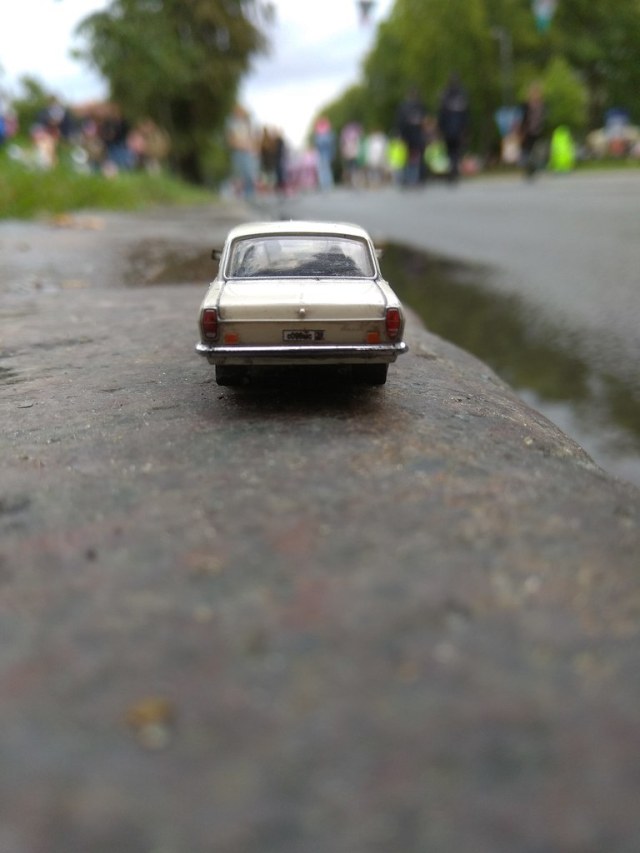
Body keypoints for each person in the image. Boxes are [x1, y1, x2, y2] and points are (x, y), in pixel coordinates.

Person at [437, 73, 470, 184]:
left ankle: (453, 171)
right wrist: (465, 129)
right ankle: (454, 171)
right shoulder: (461, 95)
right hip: (457, 130)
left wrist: (440, 128)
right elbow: (466, 115)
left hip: (449, 130)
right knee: (455, 152)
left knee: (451, 152)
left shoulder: (445, 95)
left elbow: (441, 114)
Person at [394, 86, 428, 186]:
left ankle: (407, 179)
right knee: (417, 157)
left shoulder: (404, 107)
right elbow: (425, 121)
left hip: (408, 136)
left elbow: (400, 122)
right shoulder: (420, 106)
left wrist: (400, 134)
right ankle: (418, 178)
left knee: (408, 157)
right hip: (417, 135)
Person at [226, 104, 259, 199]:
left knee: (249, 172)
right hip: (237, 151)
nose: (239, 114)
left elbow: (253, 137)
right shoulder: (231, 124)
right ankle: (239, 194)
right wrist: (239, 145)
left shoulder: (247, 124)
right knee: (239, 173)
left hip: (248, 151)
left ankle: (250, 194)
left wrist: (253, 148)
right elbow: (230, 139)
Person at [518, 82, 546, 179]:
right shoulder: (525, 105)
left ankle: (535, 169)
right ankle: (528, 170)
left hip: (539, 132)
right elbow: (522, 119)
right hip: (528, 132)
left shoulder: (542, 105)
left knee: (537, 152)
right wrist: (521, 132)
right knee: (527, 151)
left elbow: (544, 119)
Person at [313, 116, 335, 190]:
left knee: (326, 169)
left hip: (325, 154)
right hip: (322, 154)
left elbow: (319, 144)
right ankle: (324, 184)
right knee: (323, 169)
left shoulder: (327, 135)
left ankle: (327, 184)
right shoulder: (321, 135)